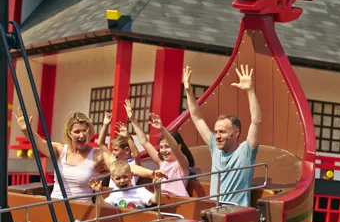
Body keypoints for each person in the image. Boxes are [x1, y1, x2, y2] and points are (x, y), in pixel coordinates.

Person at [13, 109, 167, 203]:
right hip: (55, 207)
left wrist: (151, 173)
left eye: (85, 131)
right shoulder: (59, 150)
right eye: (77, 131)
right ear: (69, 133)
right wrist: (26, 131)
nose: (82, 135)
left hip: (82, 210)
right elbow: (39, 143)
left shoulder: (98, 155)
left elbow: (124, 167)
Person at [183, 64, 261, 206]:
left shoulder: (246, 151)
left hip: (236, 214)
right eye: (216, 132)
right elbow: (197, 118)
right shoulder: (215, 147)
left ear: (236, 133)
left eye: (223, 132)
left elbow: (256, 121)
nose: (217, 136)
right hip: (214, 212)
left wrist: (250, 91)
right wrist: (188, 91)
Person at [124, 100, 195, 197]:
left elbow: (175, 149)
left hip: (178, 201)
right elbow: (144, 141)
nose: (163, 150)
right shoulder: (162, 162)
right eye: (161, 147)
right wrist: (132, 119)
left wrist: (162, 129)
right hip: (160, 199)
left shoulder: (181, 163)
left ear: (178, 146)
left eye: (167, 147)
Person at [97, 111, 141, 187]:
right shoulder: (115, 162)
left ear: (127, 150)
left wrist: (127, 138)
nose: (113, 152)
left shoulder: (134, 164)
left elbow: (136, 154)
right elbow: (100, 143)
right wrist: (105, 125)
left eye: (116, 150)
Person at [89, 160, 157, 208]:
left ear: (131, 176)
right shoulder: (115, 193)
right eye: (118, 178)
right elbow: (103, 205)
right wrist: (98, 192)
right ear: (113, 180)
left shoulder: (139, 191)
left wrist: (157, 187)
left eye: (125, 177)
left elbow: (155, 200)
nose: (122, 181)